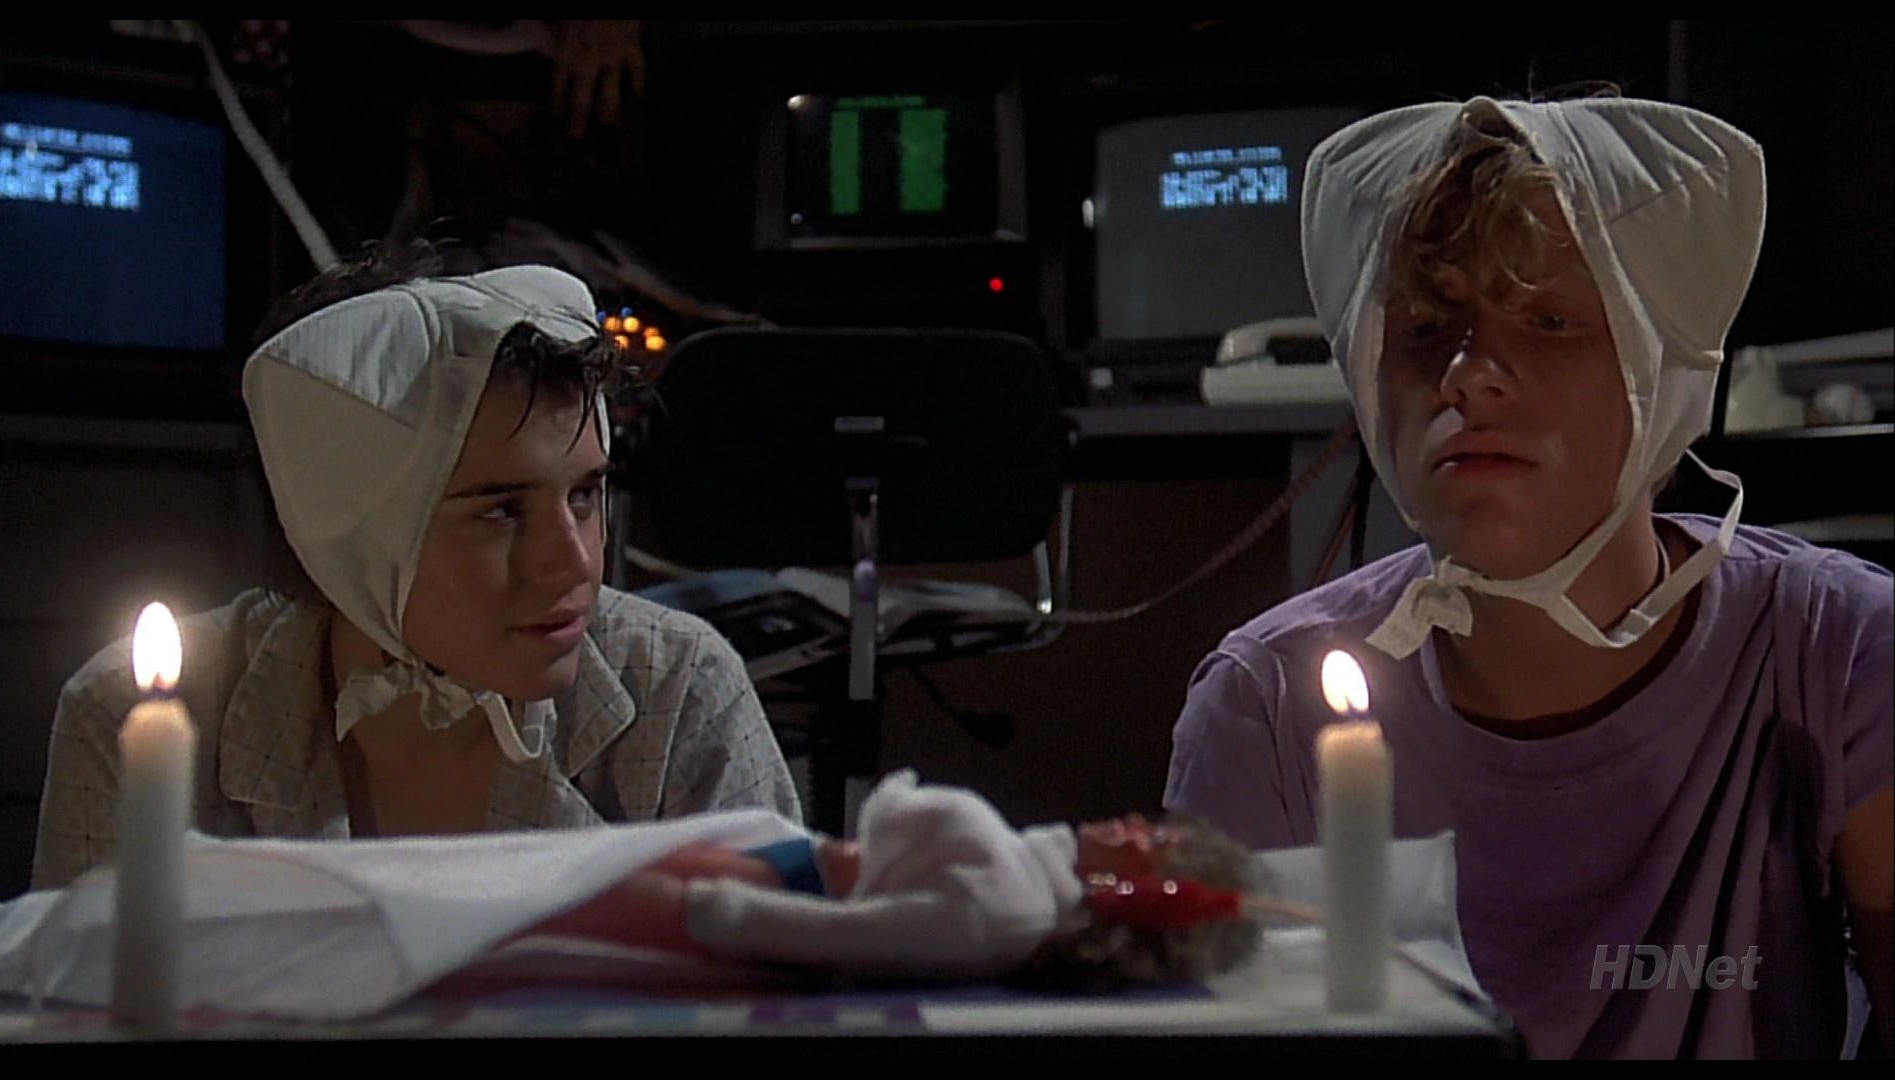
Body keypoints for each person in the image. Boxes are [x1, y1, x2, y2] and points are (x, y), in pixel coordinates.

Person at [1164, 92, 1892, 1058]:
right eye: (1427, 327)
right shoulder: (1264, 712)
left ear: (1662, 368)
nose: (1471, 373)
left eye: (1549, 320)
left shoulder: (1836, 650)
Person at [32, 241, 802, 890]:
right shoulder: (134, 714)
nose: (573, 563)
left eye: (584, 494)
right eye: (501, 511)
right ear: (358, 533)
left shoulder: (678, 695)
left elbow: (786, 995)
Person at [515, 768, 1265, 989]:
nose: (1133, 823)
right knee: (563, 874)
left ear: (1147, 898)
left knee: (551, 902)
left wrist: (721, 913)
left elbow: (854, 934)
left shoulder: (1005, 911)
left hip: (780, 893)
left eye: (1151, 843)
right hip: (792, 860)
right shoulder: (1026, 872)